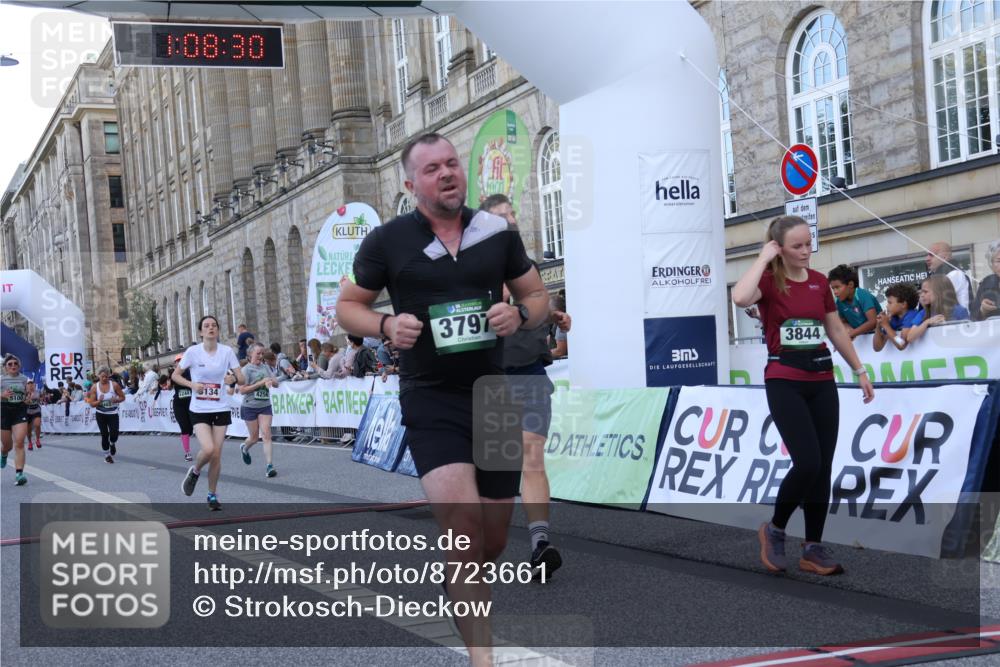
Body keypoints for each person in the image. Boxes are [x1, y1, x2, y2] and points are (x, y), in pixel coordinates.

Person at [337, 132, 549, 663]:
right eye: (433, 169)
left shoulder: (496, 233)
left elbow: (539, 296)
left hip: (492, 396)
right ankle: (483, 658)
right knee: (462, 526)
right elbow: (348, 307)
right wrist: (385, 323)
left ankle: (458, 585)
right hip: (430, 395)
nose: (448, 173)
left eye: (452, 163)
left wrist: (520, 314)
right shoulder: (387, 242)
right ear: (411, 184)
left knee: (493, 541)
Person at [732, 215, 874, 576]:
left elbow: (836, 329)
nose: (806, 251)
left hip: (822, 379)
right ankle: (775, 528)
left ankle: (813, 547)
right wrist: (763, 259)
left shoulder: (818, 283)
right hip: (784, 380)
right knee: (807, 462)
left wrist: (860, 370)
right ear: (779, 247)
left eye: (809, 243)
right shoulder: (768, 279)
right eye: (797, 246)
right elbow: (740, 297)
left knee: (823, 467)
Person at [482, 193, 570, 579]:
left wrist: (554, 315)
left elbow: (535, 304)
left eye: (512, 214)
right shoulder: (475, 271)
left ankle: (539, 544)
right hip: (492, 380)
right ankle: (477, 549)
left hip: (532, 375)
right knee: (495, 470)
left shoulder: (527, 267)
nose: (511, 221)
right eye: (502, 217)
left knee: (532, 458)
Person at [173, 315, 245, 511]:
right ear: (201, 331)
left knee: (216, 455)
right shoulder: (193, 352)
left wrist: (233, 379)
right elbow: (175, 375)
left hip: (220, 408)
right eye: (206, 326)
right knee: (209, 448)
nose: (211, 328)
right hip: (199, 409)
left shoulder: (227, 351)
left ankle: (212, 494)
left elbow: (241, 377)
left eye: (214, 325)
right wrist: (192, 384)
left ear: (218, 330)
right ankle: (195, 471)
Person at [238, 343, 279, 478]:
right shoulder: (246, 370)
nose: (261, 356)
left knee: (267, 435)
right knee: (254, 438)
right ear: (250, 355)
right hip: (249, 406)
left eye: (262, 353)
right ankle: (245, 447)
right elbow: (242, 390)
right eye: (258, 354)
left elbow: (277, 383)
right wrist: (260, 383)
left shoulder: (266, 367)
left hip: (265, 405)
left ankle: (269, 466)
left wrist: (271, 382)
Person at [906, 274, 970, 344]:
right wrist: (927, 322)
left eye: (925, 292)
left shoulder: (959, 311)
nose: (922, 295)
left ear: (939, 292)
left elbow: (967, 335)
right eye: (921, 292)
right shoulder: (923, 313)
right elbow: (910, 337)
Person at [827, 264, 880, 339]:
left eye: (837, 287)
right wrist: (848, 329)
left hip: (878, 337)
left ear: (850, 284)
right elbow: (843, 321)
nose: (835, 292)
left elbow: (873, 322)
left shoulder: (862, 295)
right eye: (833, 288)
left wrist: (852, 333)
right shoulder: (839, 302)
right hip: (861, 340)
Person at [85, 366, 126, 464]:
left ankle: (112, 443)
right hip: (101, 414)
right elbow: (91, 404)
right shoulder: (95, 387)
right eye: (102, 377)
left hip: (113, 413)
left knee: (114, 434)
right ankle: (107, 456)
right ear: (99, 376)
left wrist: (116, 400)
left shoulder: (114, 385)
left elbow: (122, 397)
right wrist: (99, 401)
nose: (104, 379)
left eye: (106, 377)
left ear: (108, 376)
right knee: (104, 434)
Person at [1, 355, 31, 485]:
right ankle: (3, 454)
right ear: (5, 367)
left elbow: (30, 394)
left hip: (20, 410)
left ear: (19, 366)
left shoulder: (25, 379)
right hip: (4, 411)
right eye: (10, 364)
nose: (13, 366)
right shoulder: (1, 380)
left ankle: (19, 473)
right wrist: (1, 395)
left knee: (19, 442)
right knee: (8, 445)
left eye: (15, 364)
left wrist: (28, 398)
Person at [873, 282, 921, 352]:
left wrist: (886, 326)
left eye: (890, 303)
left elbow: (902, 344)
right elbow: (877, 348)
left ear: (903, 304)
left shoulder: (911, 315)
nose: (887, 306)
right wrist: (879, 325)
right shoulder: (894, 318)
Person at [925, 241, 972, 312]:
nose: (927, 258)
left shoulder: (955, 274)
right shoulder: (944, 274)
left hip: (956, 320)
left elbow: (936, 300)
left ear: (944, 257)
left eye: (931, 255)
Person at [171, 353, 194, 462]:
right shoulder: (174, 374)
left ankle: (186, 437)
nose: (180, 362)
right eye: (178, 361)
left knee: (190, 429)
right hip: (179, 405)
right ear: (175, 364)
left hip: (191, 404)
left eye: (182, 360)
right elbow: (166, 384)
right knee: (184, 428)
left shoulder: (191, 373)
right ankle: (187, 452)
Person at [973, 239, 1000, 320]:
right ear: (991, 264)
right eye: (999, 261)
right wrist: (982, 310)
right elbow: (973, 318)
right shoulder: (986, 283)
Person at [24, 380, 42, 450]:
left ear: (34, 385)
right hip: (27, 412)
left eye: (32, 383)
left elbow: (41, 399)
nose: (31, 385)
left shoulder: (38, 391)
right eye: (29, 383)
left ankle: (37, 440)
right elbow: (23, 403)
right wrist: (28, 399)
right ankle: (30, 442)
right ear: (26, 385)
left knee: (37, 425)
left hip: (36, 410)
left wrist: (39, 398)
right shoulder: (25, 393)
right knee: (28, 429)